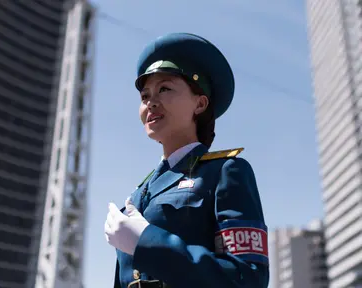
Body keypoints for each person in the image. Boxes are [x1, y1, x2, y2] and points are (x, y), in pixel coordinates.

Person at [104, 32, 269, 288]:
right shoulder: (137, 196)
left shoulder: (226, 171)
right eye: (145, 96)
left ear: (200, 104)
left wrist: (147, 241)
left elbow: (248, 277)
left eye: (165, 89)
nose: (151, 103)